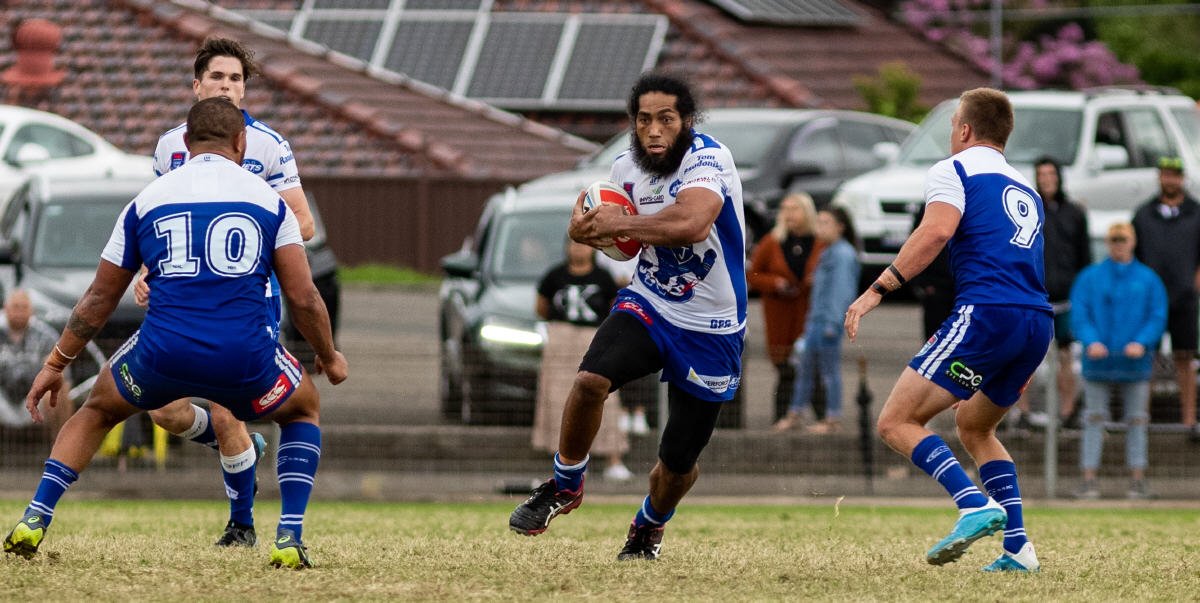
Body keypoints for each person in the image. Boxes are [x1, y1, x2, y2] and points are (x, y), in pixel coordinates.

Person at [1, 98, 346, 569]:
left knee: (98, 408)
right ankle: (288, 538)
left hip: (162, 357)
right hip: (244, 358)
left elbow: (98, 300)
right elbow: (304, 299)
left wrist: (55, 363)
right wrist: (328, 355)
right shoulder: (269, 202)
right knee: (303, 407)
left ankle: (35, 518)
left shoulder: (146, 202)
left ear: (185, 143)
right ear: (241, 144)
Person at [509, 72, 746, 561]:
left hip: (713, 326)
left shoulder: (708, 159)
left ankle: (648, 526)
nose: (654, 131)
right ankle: (565, 482)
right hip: (651, 304)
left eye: (666, 119)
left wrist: (622, 223)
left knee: (678, 461)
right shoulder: (623, 170)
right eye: (644, 121)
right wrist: (587, 230)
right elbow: (617, 240)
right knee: (591, 380)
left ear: (687, 123)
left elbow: (692, 222)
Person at [844, 88, 1050, 573]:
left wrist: (879, 287)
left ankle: (972, 503)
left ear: (963, 130)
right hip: (1034, 320)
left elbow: (935, 231)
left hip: (986, 313)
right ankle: (1018, 550)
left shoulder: (953, 169)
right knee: (975, 425)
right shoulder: (1026, 187)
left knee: (896, 422)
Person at [140, 36, 317, 548]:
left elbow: (302, 222)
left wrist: (248, 244)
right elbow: (155, 222)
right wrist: (148, 272)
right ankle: (239, 449)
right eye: (217, 76)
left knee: (224, 407)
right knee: (166, 412)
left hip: (246, 299)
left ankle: (242, 523)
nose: (227, 85)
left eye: (236, 79)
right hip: (181, 298)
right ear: (196, 86)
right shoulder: (169, 146)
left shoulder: (267, 145)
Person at [1069, 222, 1167, 500]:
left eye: (1122, 239)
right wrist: (1092, 341)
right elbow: (1081, 314)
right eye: (1113, 240)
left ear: (1132, 242)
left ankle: (1137, 480)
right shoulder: (1090, 278)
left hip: (1135, 365)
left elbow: (1157, 315)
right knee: (1093, 419)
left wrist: (1142, 342)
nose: (1118, 244)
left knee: (1137, 420)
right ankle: (1089, 480)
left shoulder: (1148, 279)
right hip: (1097, 364)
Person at [532, 240, 629, 481]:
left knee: (605, 396)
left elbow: (614, 307)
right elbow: (541, 307)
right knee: (557, 398)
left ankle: (613, 458)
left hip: (594, 338)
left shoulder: (603, 277)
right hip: (561, 340)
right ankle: (563, 462)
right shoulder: (554, 276)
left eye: (583, 246)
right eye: (574, 245)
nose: (578, 250)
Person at [1012, 156, 1090, 431]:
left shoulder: (1074, 213)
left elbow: (1084, 257)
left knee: (1066, 357)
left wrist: (1080, 291)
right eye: (1041, 174)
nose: (1046, 179)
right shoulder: (1027, 209)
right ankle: (1024, 412)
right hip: (1034, 298)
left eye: (1050, 174)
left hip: (1065, 297)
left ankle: (1067, 411)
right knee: (1027, 356)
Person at [1132, 155, 1200, 442]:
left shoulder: (1196, 212)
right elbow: (1134, 255)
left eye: (1174, 175)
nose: (1169, 180)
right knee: (1149, 357)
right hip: (1151, 299)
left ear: (1181, 178)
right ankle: (1141, 421)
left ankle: (1188, 421)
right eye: (1165, 174)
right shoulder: (1144, 213)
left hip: (1184, 297)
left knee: (1185, 358)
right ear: (1159, 177)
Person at [773, 207, 859, 433]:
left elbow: (841, 292)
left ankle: (832, 418)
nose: (820, 228)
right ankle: (795, 413)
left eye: (826, 223)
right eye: (819, 222)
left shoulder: (841, 254)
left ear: (840, 226)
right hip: (816, 321)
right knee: (806, 370)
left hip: (825, 323)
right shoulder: (829, 252)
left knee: (827, 372)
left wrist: (832, 323)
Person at [747, 192, 824, 423]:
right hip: (780, 313)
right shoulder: (772, 242)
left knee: (812, 367)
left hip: (807, 311)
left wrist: (815, 279)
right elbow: (754, 273)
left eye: (795, 209)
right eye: (785, 209)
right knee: (785, 369)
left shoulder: (819, 242)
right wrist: (775, 283)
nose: (789, 214)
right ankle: (781, 418)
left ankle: (822, 417)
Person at [0, 290, 72, 437]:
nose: (19, 311)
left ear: (31, 310)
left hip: (36, 399)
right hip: (3, 399)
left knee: (60, 388)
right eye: (15, 306)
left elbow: (62, 372)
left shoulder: (46, 336)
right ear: (5, 308)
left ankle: (61, 449)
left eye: (24, 307)